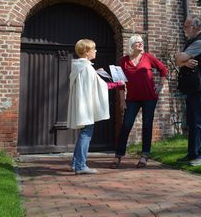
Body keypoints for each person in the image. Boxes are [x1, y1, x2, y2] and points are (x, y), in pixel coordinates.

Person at [111, 34, 168, 169]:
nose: (141, 44)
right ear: (131, 45)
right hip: (132, 99)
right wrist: (122, 101)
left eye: (141, 42)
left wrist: (160, 85)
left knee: (147, 125)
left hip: (149, 97)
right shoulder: (123, 61)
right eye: (137, 42)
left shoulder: (148, 57)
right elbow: (120, 82)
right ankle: (118, 156)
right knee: (126, 126)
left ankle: (144, 156)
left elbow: (163, 69)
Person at [67, 39, 124, 175]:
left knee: (83, 134)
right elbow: (98, 87)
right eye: (94, 49)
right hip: (86, 107)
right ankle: (80, 166)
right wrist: (117, 84)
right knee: (86, 135)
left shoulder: (80, 66)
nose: (96, 51)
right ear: (86, 52)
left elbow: (90, 85)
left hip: (82, 105)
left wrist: (97, 75)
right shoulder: (86, 68)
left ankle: (75, 163)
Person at [174, 14, 201, 166]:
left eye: (186, 26)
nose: (184, 29)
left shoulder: (200, 42)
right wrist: (183, 62)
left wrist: (180, 59)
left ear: (195, 27)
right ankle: (193, 153)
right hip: (193, 87)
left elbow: (179, 58)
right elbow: (178, 60)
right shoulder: (192, 42)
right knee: (192, 122)